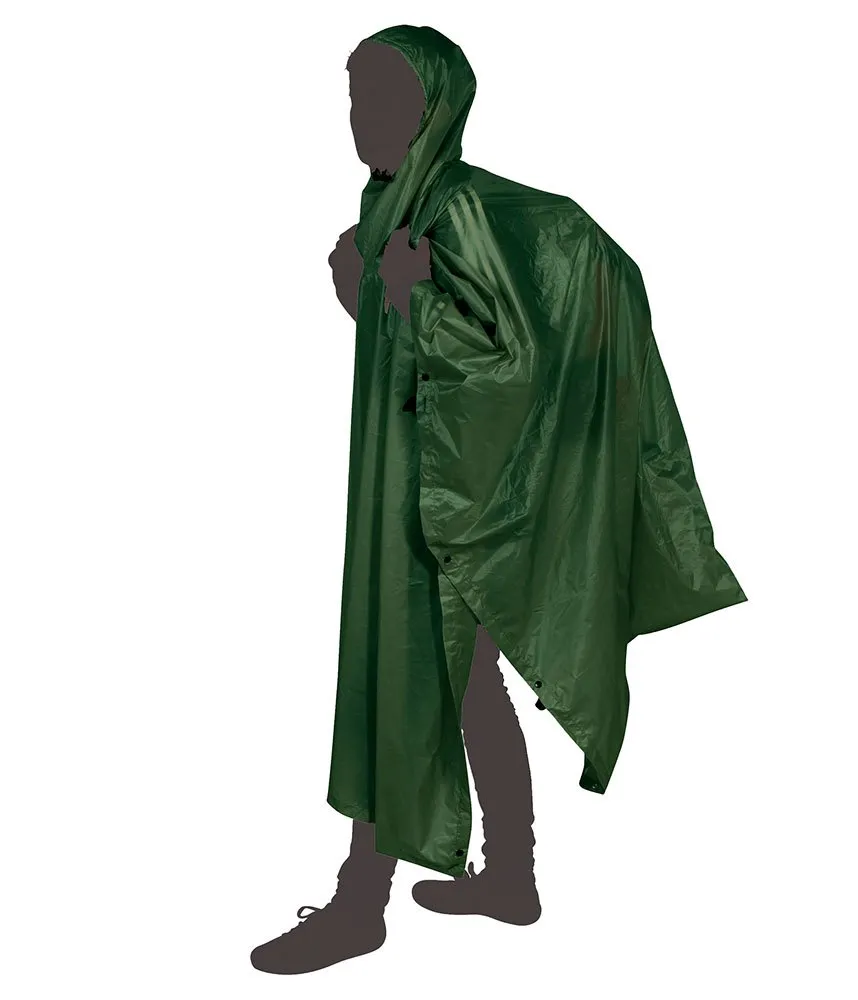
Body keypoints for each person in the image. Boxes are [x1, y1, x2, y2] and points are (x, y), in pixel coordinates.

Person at [252, 24, 745, 975]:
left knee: (404, 679)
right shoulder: (393, 207)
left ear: (435, 109)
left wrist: (411, 298)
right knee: (466, 684)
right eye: (353, 97)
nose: (361, 118)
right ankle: (511, 879)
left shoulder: (463, 209)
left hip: (456, 508)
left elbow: (512, 366)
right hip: (412, 488)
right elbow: (420, 356)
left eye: (384, 99)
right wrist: (365, 294)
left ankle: (360, 905)